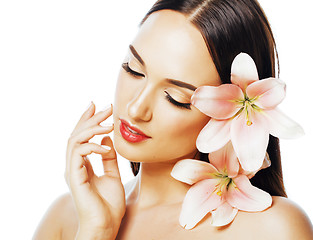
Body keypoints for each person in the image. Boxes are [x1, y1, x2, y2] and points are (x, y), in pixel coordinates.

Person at [33, 0, 313, 239]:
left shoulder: (271, 228)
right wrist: (96, 231)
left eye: (175, 97)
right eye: (133, 70)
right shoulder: (67, 219)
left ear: (230, 115)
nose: (135, 108)